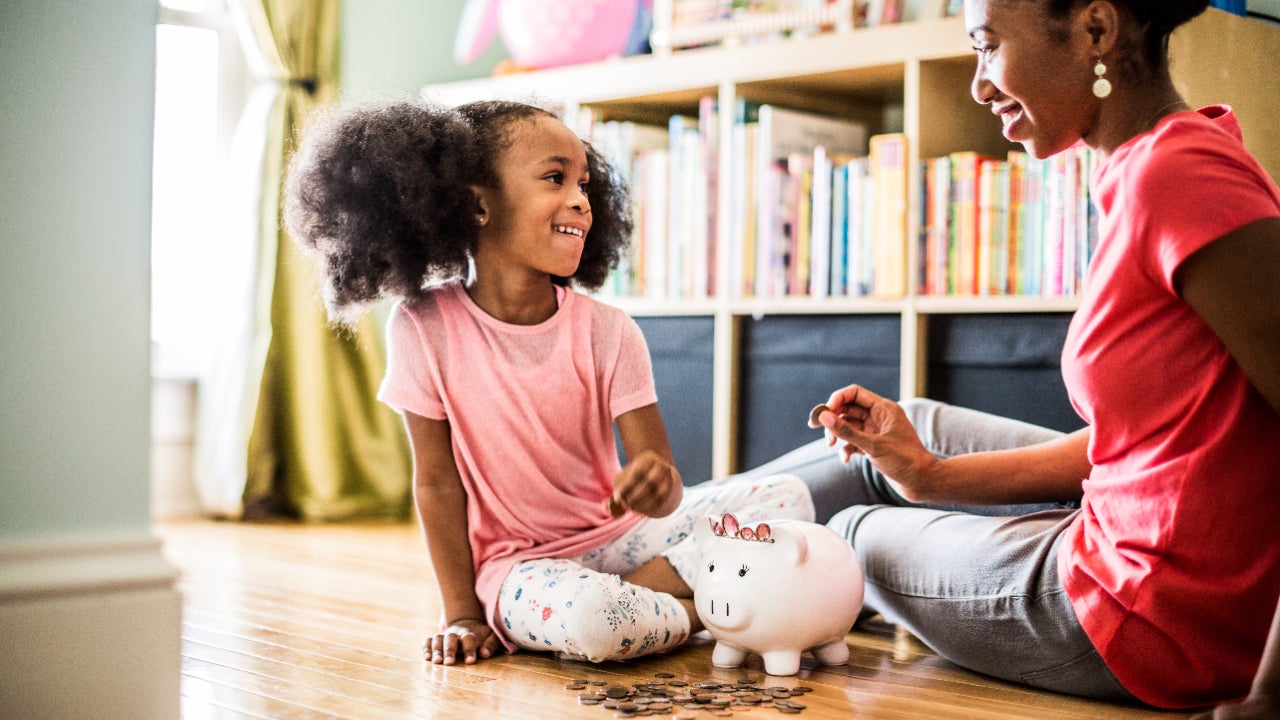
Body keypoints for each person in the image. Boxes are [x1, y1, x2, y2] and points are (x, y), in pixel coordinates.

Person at [729, 0, 1280, 711]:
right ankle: (645, 545)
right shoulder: (1153, 161)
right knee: (912, 432)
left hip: (1157, 616)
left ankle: (649, 567)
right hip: (1138, 533)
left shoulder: (1175, 178)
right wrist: (928, 476)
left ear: (1096, 31)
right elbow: (1152, 435)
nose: (978, 85)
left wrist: (1269, 696)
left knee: (848, 535)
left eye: (988, 47)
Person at [282, 100, 813, 667]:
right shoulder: (422, 327)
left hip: (622, 538)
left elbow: (664, 480)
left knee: (789, 498)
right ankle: (711, 606)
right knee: (594, 622)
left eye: (584, 183)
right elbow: (437, 485)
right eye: (555, 178)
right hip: (521, 569)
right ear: (477, 204)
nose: (581, 199)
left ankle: (660, 600)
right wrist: (462, 613)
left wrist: (657, 481)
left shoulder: (609, 331)